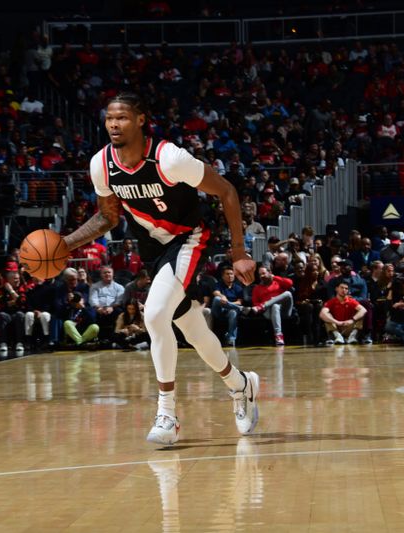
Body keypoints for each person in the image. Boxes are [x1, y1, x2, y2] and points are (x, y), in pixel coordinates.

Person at [63, 92, 259, 445]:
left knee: (154, 316)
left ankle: (167, 413)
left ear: (140, 120)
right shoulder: (101, 164)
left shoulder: (169, 158)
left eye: (121, 117)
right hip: (154, 250)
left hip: (189, 239)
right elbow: (107, 217)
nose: (113, 124)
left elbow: (227, 191)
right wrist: (65, 245)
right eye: (109, 118)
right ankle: (241, 386)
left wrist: (239, 251)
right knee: (194, 332)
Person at [246, 265, 294, 346]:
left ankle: (265, 305)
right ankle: (278, 336)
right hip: (268, 311)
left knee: (288, 293)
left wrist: (275, 277)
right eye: (260, 274)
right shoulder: (257, 288)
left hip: (284, 310)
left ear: (270, 273)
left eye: (264, 273)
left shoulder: (278, 282)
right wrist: (268, 304)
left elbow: (290, 283)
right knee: (275, 306)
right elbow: (255, 303)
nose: (262, 276)